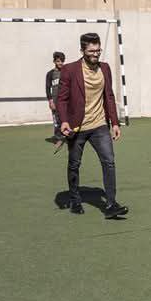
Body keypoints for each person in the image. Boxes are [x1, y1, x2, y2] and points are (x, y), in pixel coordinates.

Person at [57, 32, 129, 219]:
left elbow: (109, 96)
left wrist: (115, 123)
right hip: (77, 127)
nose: (96, 54)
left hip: (99, 125)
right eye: (91, 51)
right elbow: (62, 99)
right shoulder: (70, 70)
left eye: (98, 50)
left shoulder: (105, 68)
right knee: (74, 164)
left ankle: (111, 204)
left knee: (109, 162)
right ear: (82, 50)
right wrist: (64, 121)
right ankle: (75, 199)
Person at [45, 51, 65, 147]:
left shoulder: (66, 72)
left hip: (65, 100)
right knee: (57, 121)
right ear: (54, 61)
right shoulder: (50, 74)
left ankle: (69, 137)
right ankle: (59, 138)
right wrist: (50, 101)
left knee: (67, 119)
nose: (60, 63)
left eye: (62, 61)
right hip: (55, 101)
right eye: (58, 61)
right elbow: (47, 88)